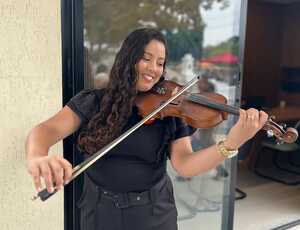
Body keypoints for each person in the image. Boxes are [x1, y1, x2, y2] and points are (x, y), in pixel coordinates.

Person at [25, 28, 268, 230]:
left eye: (160, 63)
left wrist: (230, 144)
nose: (154, 68)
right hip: (99, 212)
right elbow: (46, 130)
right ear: (128, 59)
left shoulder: (169, 113)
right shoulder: (93, 102)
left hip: (152, 214)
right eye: (146, 58)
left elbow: (186, 165)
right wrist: (37, 156)